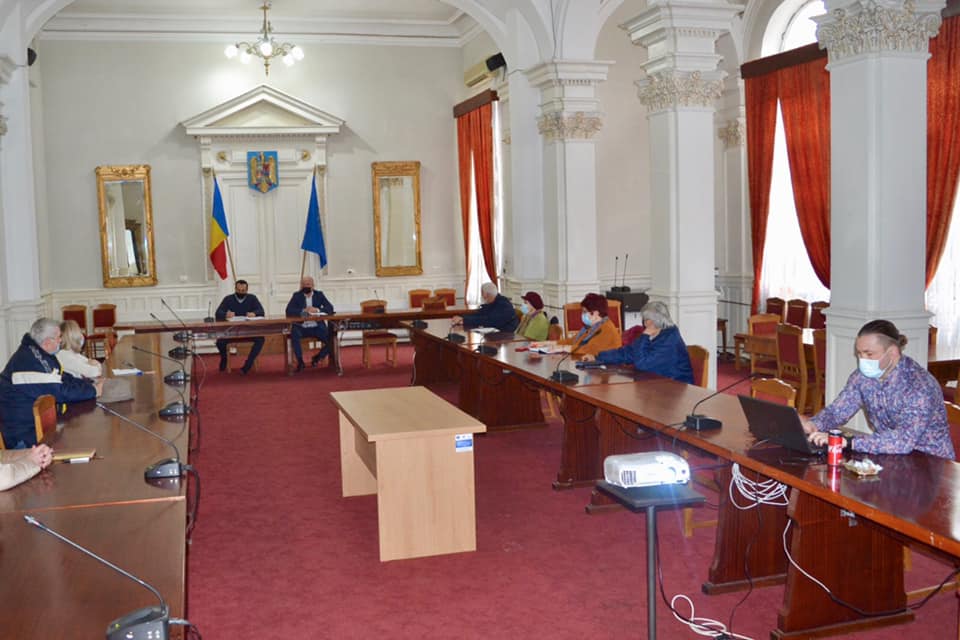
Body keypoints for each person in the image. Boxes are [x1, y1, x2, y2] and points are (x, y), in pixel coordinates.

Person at [802, 319, 955, 459]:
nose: (863, 360)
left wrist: (847, 441)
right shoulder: (862, 377)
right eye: (859, 354)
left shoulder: (919, 386)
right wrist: (814, 424)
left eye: (869, 354)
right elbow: (838, 411)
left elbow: (903, 441)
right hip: (889, 455)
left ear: (892, 352)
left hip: (931, 463)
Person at [0, 318, 100, 449]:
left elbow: (63, 379)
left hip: (39, 430)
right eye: (59, 337)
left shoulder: (40, 353)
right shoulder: (29, 362)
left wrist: (90, 384)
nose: (61, 341)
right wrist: (94, 391)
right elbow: (61, 392)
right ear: (47, 342)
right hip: (23, 439)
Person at [584, 301, 694, 383]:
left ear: (651, 322)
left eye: (646, 319)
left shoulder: (670, 340)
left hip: (675, 391)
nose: (644, 323)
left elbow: (642, 365)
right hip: (656, 386)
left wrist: (645, 336)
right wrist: (598, 357)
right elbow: (627, 353)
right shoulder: (655, 334)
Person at [215, 279, 266, 374]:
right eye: (238, 290)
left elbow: (261, 311)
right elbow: (218, 313)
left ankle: (248, 363)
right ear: (235, 289)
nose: (241, 292)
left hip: (248, 331)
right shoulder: (228, 299)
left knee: (260, 339)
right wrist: (226, 314)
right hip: (232, 332)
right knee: (220, 342)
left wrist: (254, 313)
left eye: (243, 290)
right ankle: (224, 358)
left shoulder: (252, 298)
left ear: (247, 290)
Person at [547, 293, 621, 357]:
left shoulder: (607, 329)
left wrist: (563, 348)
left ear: (595, 313)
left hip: (607, 367)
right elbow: (573, 341)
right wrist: (548, 343)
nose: (582, 315)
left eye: (585, 312)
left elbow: (589, 349)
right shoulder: (591, 327)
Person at [286, 276, 334, 372]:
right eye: (304, 285)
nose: (306, 286)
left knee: (332, 339)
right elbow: (288, 311)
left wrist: (317, 310)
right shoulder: (297, 295)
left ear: (313, 285)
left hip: (317, 326)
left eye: (308, 284)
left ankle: (318, 357)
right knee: (294, 334)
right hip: (301, 327)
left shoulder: (319, 295)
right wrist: (303, 311)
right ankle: (300, 362)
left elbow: (330, 308)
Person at [452, 283, 519, 332]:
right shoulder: (492, 302)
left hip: (505, 336)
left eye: (482, 294)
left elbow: (489, 320)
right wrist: (462, 318)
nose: (482, 296)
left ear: (486, 295)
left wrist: (465, 320)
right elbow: (480, 313)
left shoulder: (503, 304)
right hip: (495, 334)